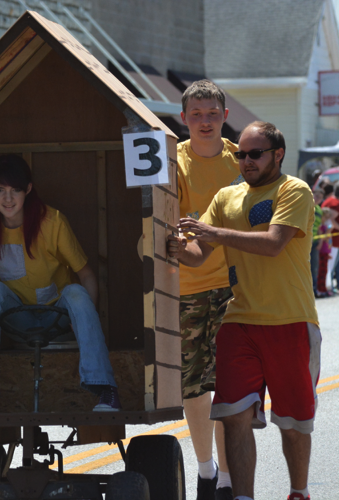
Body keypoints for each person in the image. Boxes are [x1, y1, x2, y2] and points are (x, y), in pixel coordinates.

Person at [168, 121, 320, 500]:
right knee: (233, 417)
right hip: (238, 322)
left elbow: (273, 244)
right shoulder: (226, 197)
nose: (246, 161)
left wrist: (215, 234)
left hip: (289, 320)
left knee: (293, 423)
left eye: (255, 154)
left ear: (278, 154)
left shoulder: (294, 190)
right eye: (241, 155)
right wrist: (174, 245)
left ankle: (298, 491)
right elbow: (198, 254)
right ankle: (242, 497)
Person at [0, 154, 119, 415]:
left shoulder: (52, 221)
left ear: (28, 189)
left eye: (15, 190)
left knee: (77, 292)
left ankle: (106, 390)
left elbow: (87, 275)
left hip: (57, 315)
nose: (7, 199)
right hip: (17, 317)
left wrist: (81, 320)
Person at [176, 79, 237, 500]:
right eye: (196, 114)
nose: (205, 121)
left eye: (212, 113)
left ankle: (229, 479)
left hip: (233, 287)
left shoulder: (241, 159)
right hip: (187, 287)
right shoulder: (172, 161)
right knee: (194, 387)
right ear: (184, 118)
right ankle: (205, 470)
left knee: (230, 386)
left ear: (225, 116)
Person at [310, 190, 324, 296]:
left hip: (315, 242)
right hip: (305, 242)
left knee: (314, 267)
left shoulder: (319, 210)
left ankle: (314, 290)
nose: (317, 199)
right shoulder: (308, 206)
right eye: (316, 196)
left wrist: (320, 242)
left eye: (320, 197)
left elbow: (319, 227)